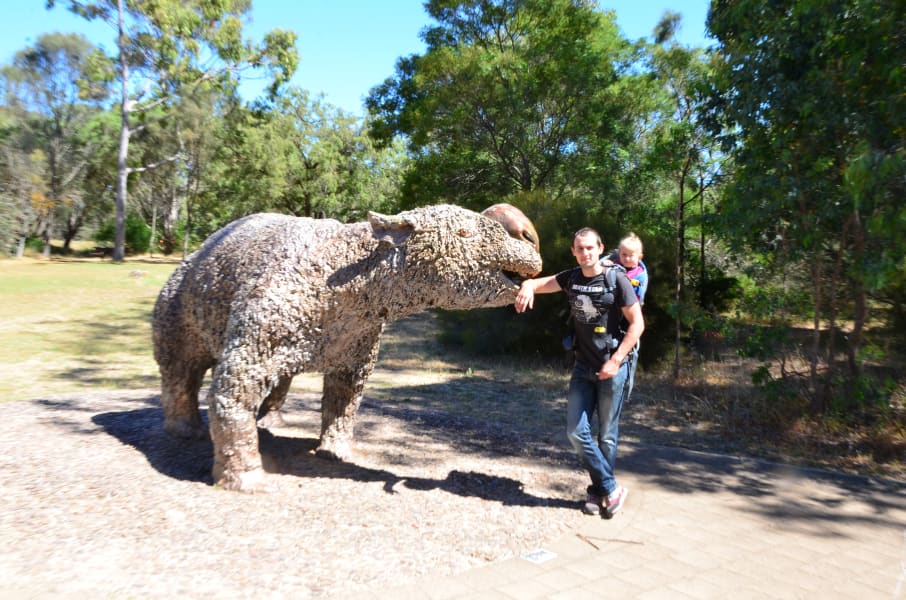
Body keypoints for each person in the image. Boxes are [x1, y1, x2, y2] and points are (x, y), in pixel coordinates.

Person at [515, 227, 644, 518]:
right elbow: (539, 284)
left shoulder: (617, 279)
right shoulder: (571, 278)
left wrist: (617, 360)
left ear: (600, 248)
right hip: (583, 367)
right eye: (579, 248)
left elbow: (637, 324)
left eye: (590, 247)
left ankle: (597, 491)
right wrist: (527, 286)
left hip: (613, 368)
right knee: (576, 432)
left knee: (607, 436)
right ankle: (611, 488)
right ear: (573, 252)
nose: (585, 253)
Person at [601, 232, 648, 305]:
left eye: (631, 255)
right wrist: (604, 264)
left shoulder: (639, 273)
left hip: (628, 303)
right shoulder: (615, 264)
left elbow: (638, 290)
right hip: (610, 299)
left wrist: (627, 281)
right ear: (619, 253)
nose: (627, 258)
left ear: (639, 257)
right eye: (624, 254)